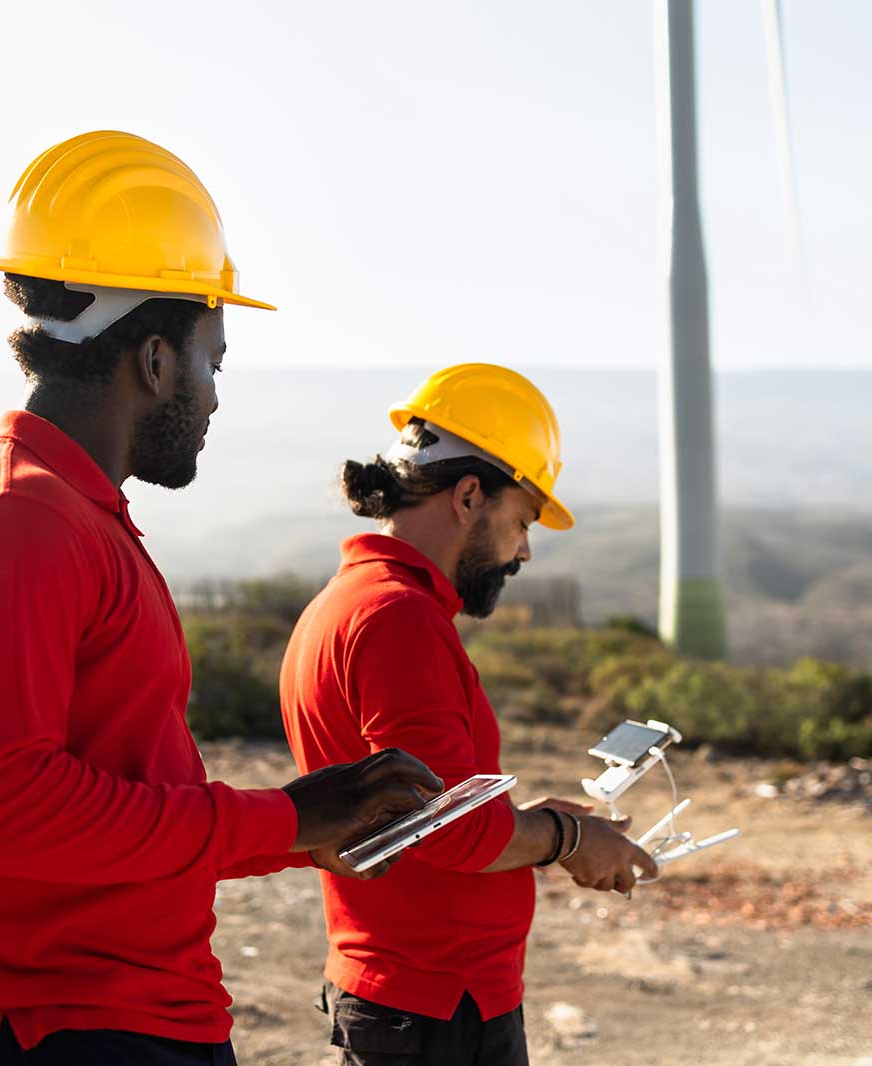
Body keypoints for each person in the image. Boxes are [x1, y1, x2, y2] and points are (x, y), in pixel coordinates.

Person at [0, 130, 441, 1066]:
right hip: (51, 1033)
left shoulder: (71, 518)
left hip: (118, 1022)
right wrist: (289, 818)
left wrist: (303, 829)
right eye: (212, 359)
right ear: (152, 360)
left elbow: (126, 792)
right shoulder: (12, 521)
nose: (216, 397)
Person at [279, 364, 658, 1065]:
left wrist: (534, 824)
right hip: (433, 1012)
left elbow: (427, 815)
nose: (524, 550)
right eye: (520, 521)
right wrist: (570, 838)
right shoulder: (397, 618)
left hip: (416, 1001)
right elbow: (448, 835)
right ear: (470, 495)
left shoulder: (353, 601)